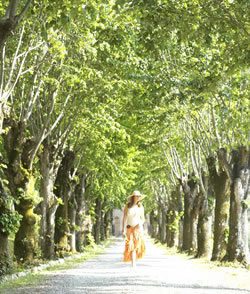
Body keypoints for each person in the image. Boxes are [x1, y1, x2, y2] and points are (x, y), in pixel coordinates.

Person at [122, 190, 146, 268]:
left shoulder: (140, 206)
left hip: (137, 228)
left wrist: (140, 224)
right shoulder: (127, 206)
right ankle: (133, 262)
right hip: (129, 227)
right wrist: (123, 230)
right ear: (133, 197)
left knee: (136, 245)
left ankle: (134, 262)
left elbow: (143, 219)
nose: (138, 198)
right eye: (137, 196)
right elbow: (124, 218)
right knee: (130, 245)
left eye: (139, 196)